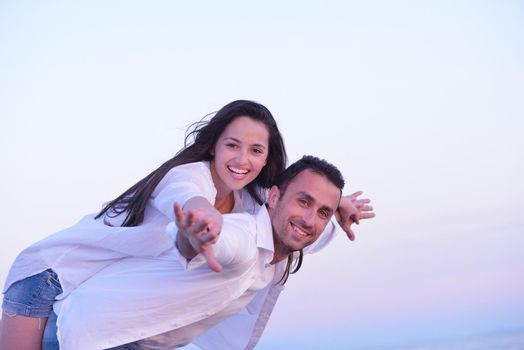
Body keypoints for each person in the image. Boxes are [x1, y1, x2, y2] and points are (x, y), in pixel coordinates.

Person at [0, 100, 374, 350]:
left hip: (101, 304)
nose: (242, 159)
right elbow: (187, 203)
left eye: (256, 151)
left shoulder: (253, 200)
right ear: (214, 145)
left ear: (267, 160)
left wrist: (335, 203)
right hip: (51, 275)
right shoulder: (189, 177)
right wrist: (200, 220)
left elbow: (296, 216)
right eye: (232, 145)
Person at [53, 156, 346, 350]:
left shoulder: (289, 238)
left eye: (323, 212)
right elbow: (217, 241)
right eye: (303, 202)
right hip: (84, 332)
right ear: (273, 196)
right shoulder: (243, 239)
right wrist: (194, 238)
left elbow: (314, 232)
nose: (309, 219)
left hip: (130, 338)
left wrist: (341, 208)